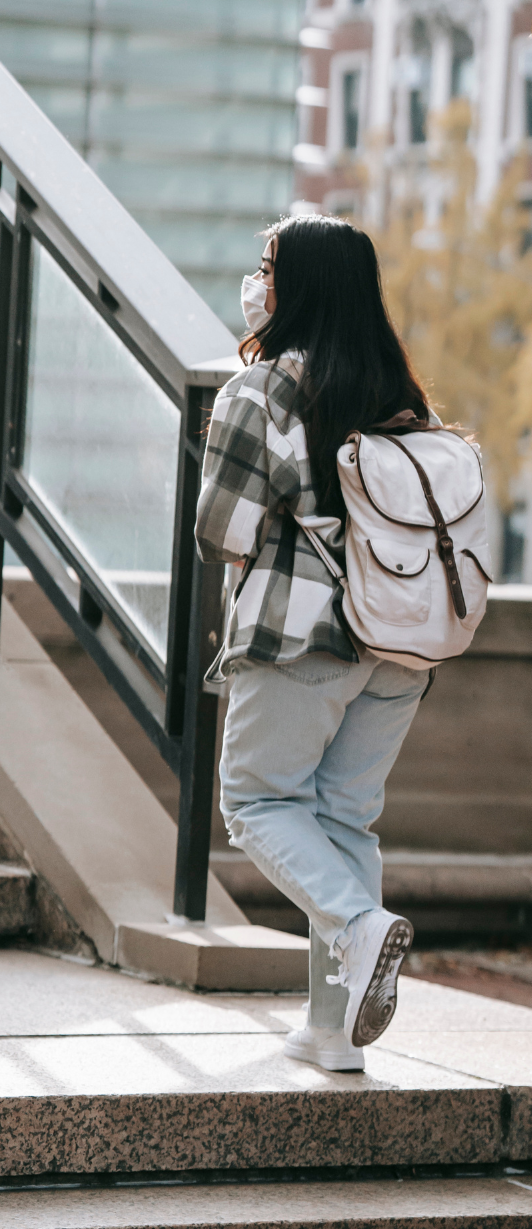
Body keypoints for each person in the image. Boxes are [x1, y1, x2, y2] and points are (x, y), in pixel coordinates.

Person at [195, 212, 429, 1072]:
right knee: (345, 820)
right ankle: (333, 1033)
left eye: (267, 265)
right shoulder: (401, 395)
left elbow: (220, 530)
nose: (257, 281)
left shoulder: (260, 393)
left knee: (256, 804)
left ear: (300, 285)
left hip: (302, 638)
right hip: (401, 644)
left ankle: (363, 926)